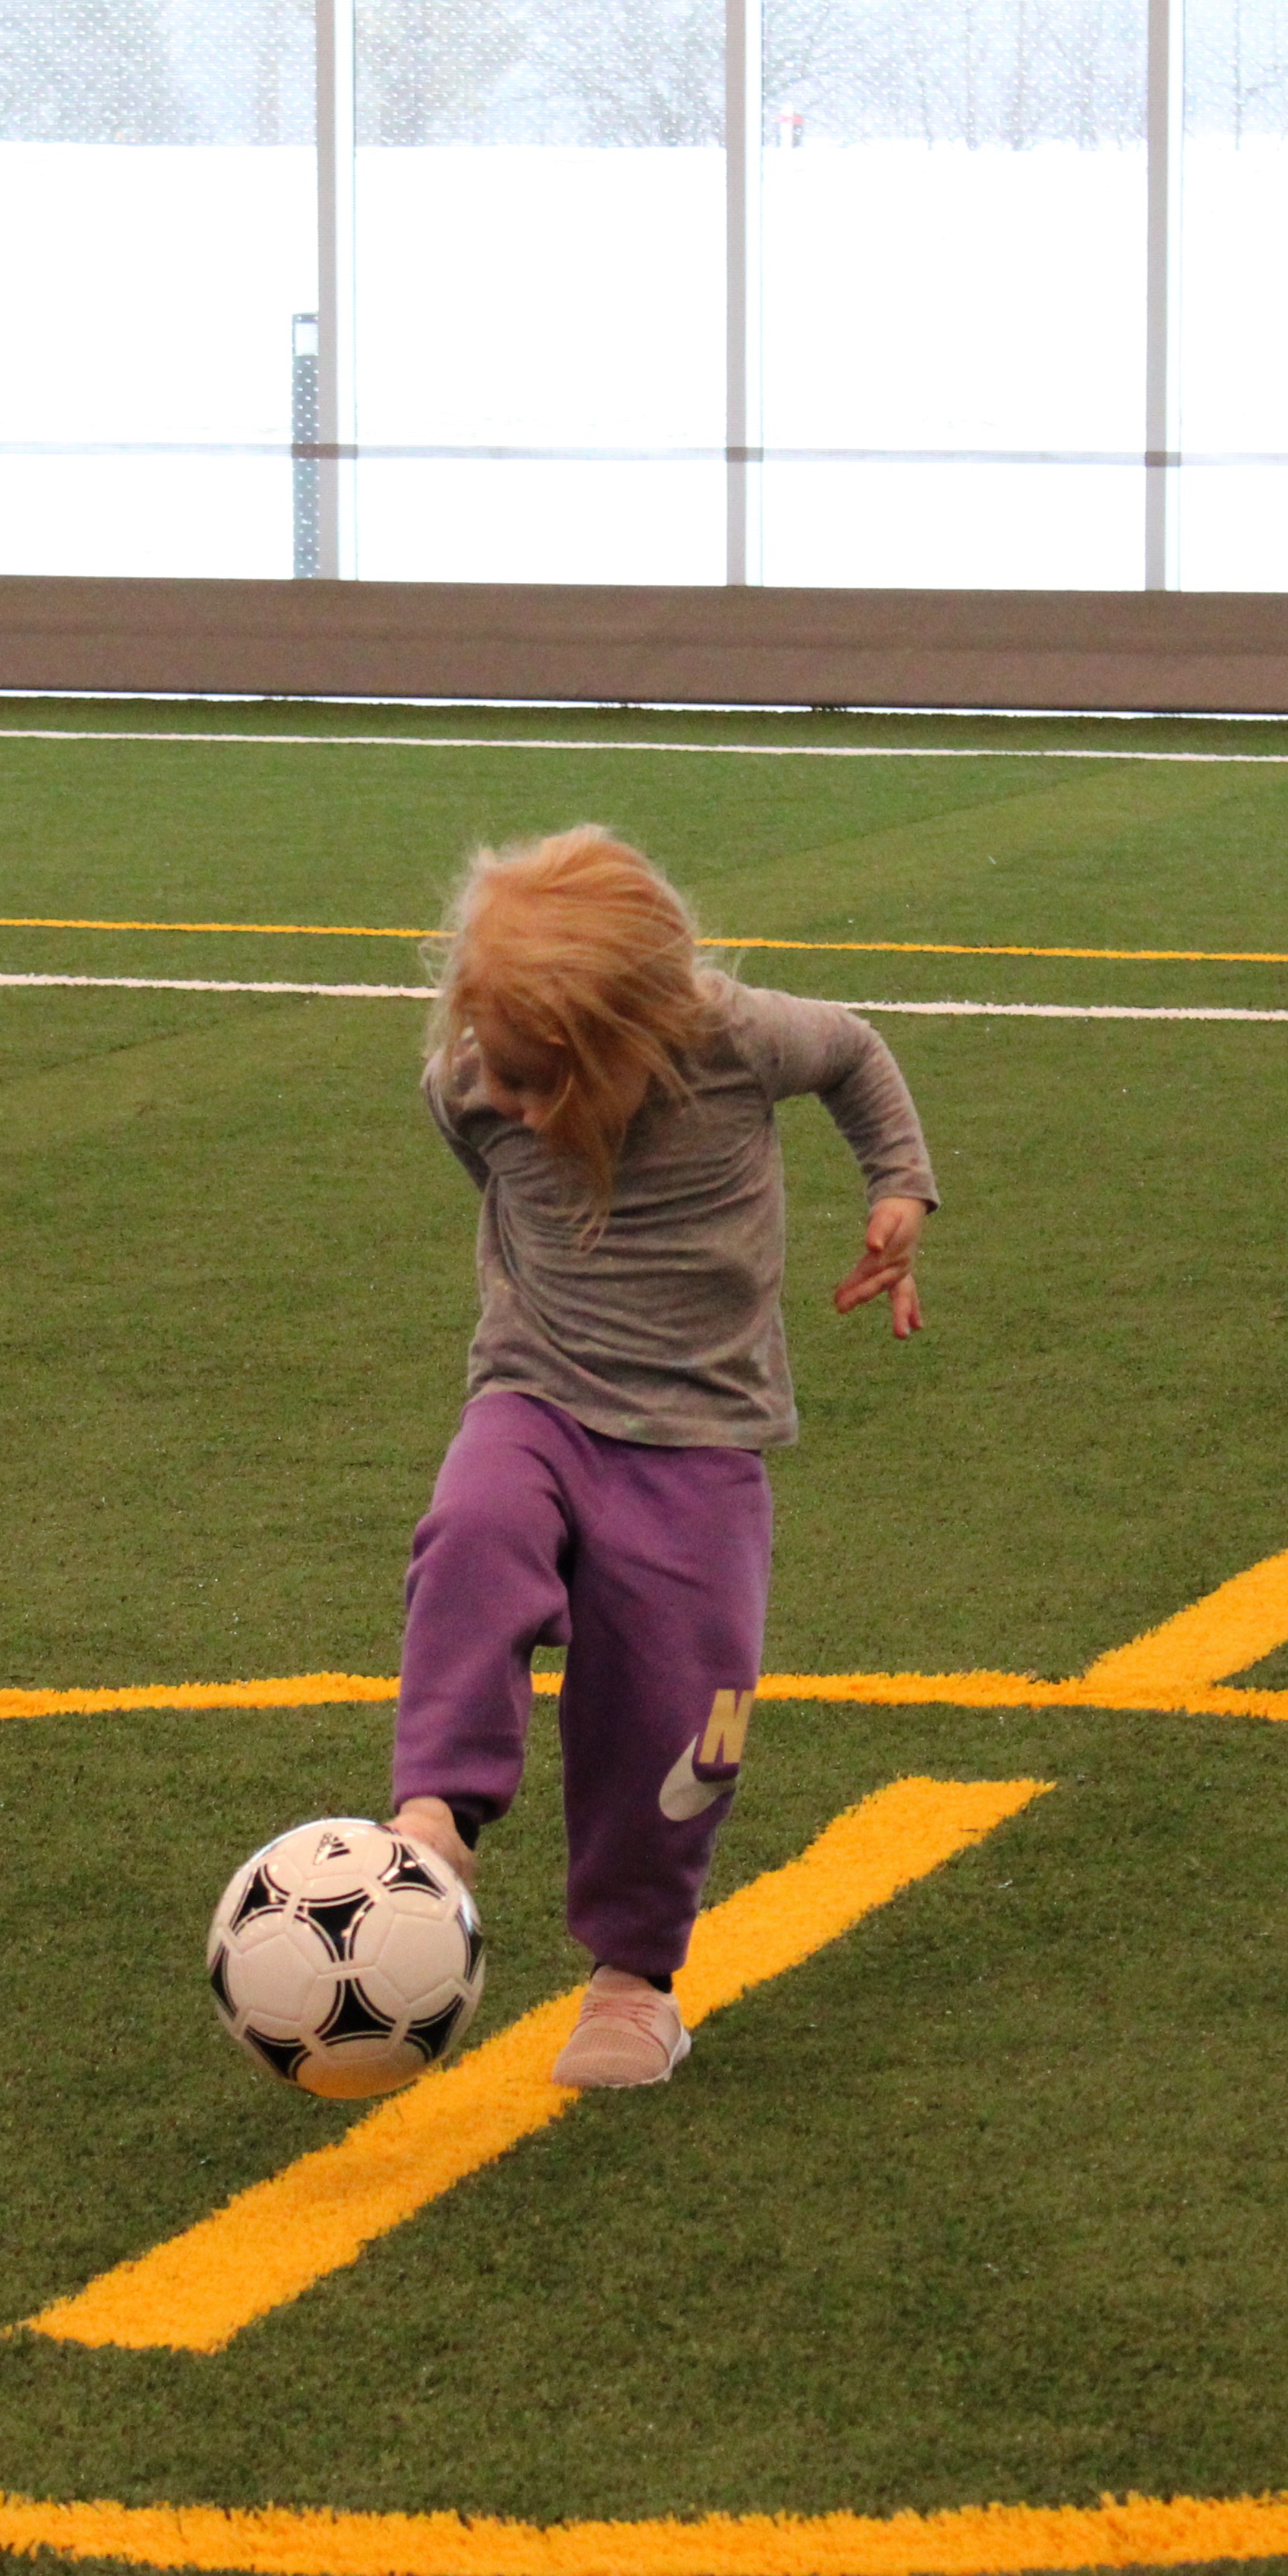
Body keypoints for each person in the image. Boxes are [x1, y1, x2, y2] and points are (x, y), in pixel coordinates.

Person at [389, 825, 938, 2089]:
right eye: (494, 1068)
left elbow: (855, 1052)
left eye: (536, 1083)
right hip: (536, 1393)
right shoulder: (472, 1085)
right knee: (474, 1531)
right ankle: (436, 1817)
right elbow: (495, 1169)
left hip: (702, 1437)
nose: (505, 1100)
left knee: (687, 1725)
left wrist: (897, 1186)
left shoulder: (734, 1038)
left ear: (636, 1039)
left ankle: (635, 1980)